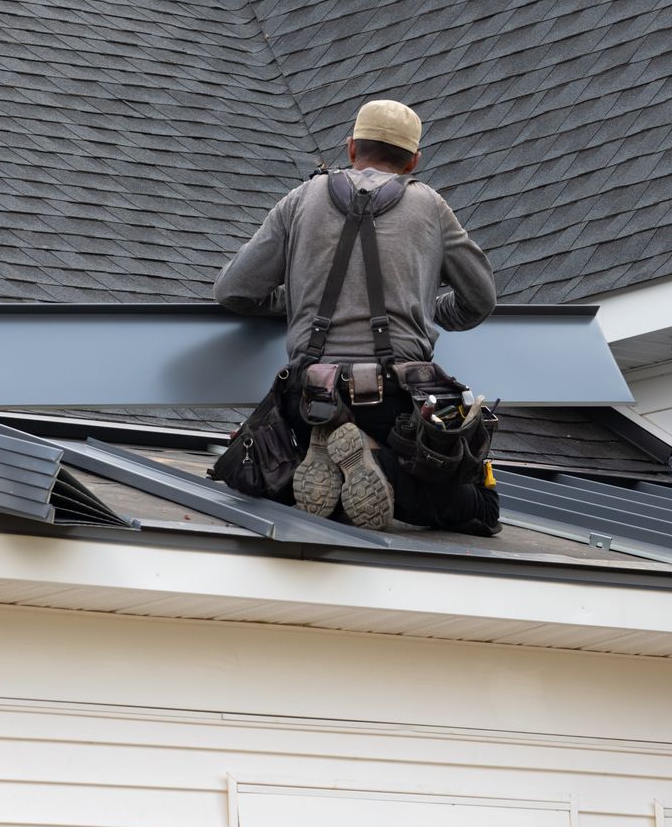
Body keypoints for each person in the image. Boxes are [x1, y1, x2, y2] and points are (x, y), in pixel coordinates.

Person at [214, 99, 500, 534]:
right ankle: (373, 457)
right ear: (413, 161)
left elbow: (233, 290)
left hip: (308, 398)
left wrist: (296, 305)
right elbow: (480, 300)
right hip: (392, 403)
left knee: (267, 475)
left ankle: (324, 455)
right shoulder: (431, 207)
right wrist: (428, 312)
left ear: (351, 149)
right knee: (482, 507)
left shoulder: (300, 199)